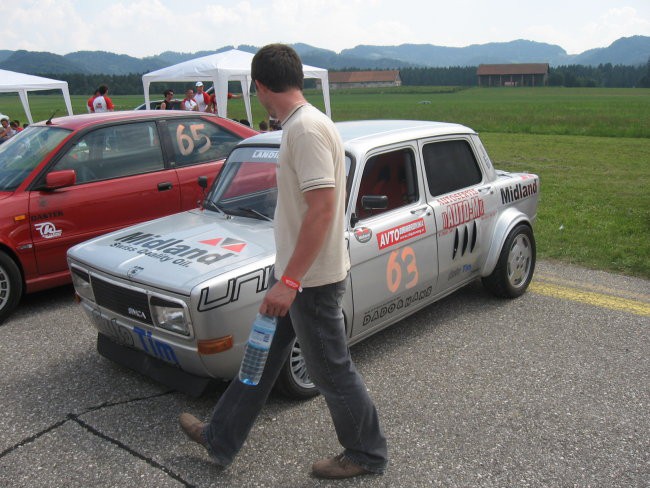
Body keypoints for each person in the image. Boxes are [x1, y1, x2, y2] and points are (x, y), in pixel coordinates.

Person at [179, 43, 388, 480]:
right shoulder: (305, 125)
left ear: (259, 86)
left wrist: (289, 281)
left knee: (331, 371)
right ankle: (220, 435)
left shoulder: (305, 130)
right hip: (298, 276)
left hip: (309, 282)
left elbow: (323, 209)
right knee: (262, 357)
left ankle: (366, 454)